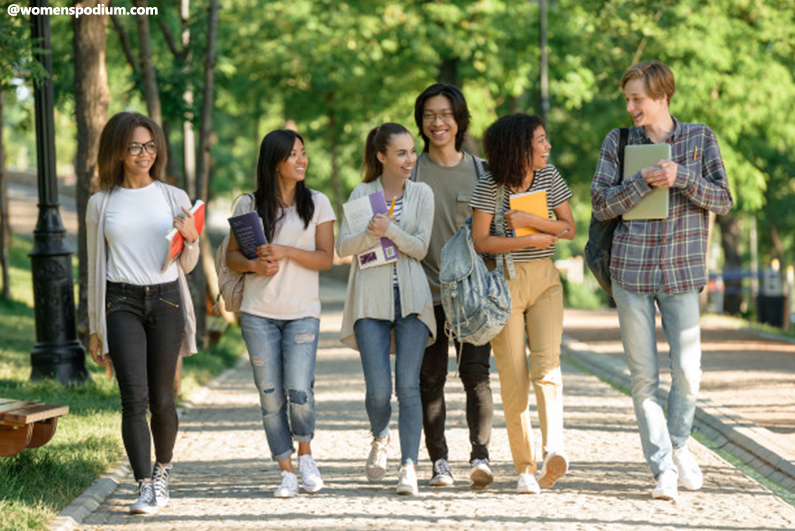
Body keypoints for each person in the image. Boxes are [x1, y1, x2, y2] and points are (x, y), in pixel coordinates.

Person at [591, 60, 733, 501]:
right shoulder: (618, 142)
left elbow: (724, 200)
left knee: (689, 373)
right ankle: (662, 470)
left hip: (681, 272)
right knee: (643, 378)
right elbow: (599, 204)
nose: (630, 106)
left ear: (661, 96)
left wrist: (681, 178)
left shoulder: (700, 138)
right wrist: (640, 183)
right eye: (628, 99)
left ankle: (677, 445)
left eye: (637, 98)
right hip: (631, 272)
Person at [87, 112, 200, 515]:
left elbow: (187, 264)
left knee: (163, 400)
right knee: (133, 399)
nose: (144, 153)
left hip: (167, 300)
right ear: (117, 151)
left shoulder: (174, 197)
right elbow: (94, 267)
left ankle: (163, 469)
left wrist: (190, 240)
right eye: (134, 145)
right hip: (121, 302)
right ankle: (144, 485)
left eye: (150, 145)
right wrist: (94, 327)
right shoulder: (101, 204)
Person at [226, 129, 335, 498]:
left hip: (303, 312)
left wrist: (286, 251)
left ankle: (306, 455)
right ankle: (285, 469)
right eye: (292, 155)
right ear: (274, 162)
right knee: (270, 395)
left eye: (303, 152)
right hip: (258, 314)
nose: (302, 160)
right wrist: (255, 267)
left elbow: (325, 258)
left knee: (299, 389)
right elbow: (231, 258)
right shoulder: (248, 205)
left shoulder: (317, 203)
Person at [470, 113, 576, 494]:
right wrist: (525, 240)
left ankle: (553, 451)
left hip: (545, 281)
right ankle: (525, 468)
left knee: (548, 369)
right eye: (541, 141)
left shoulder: (550, 177)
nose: (547, 147)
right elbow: (481, 241)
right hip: (505, 285)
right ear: (519, 147)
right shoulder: (489, 186)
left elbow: (569, 228)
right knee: (514, 379)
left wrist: (533, 220)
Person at [337, 123, 435, 496]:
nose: (410, 159)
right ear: (382, 157)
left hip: (411, 299)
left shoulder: (422, 193)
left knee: (408, 387)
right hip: (370, 300)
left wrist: (390, 230)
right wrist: (370, 234)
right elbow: (344, 248)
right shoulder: (362, 193)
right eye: (401, 153)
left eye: (412, 151)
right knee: (378, 390)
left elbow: (421, 248)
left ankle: (408, 465)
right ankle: (380, 436)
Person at [411, 83, 495, 489]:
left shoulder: (482, 172)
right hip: (424, 295)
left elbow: (495, 232)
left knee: (476, 375)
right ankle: (438, 461)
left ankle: (480, 456)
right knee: (430, 380)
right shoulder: (410, 171)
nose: (437, 122)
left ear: (459, 120)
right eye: (429, 115)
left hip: (471, 300)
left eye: (445, 114)